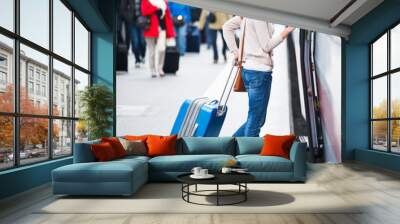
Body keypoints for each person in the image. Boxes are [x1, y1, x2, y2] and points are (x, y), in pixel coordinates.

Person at [222, 16, 294, 137]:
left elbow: (226, 27)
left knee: (257, 119)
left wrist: (236, 53)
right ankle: (247, 153)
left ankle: (232, 143)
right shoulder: (258, 15)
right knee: (255, 119)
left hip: (249, 71)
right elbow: (267, 46)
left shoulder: (248, 12)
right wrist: (286, 32)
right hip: (259, 73)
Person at [141, 0, 175, 78]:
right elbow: (144, 11)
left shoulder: (164, 1)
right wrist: (156, 8)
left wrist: (170, 31)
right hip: (150, 28)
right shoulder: (146, 1)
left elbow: (168, 15)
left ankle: (160, 68)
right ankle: (152, 69)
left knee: (162, 49)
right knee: (152, 51)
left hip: (162, 28)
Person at [130, 0, 147, 68]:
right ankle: (137, 59)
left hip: (143, 22)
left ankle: (142, 55)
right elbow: (123, 8)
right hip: (133, 22)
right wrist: (129, 18)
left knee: (142, 41)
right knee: (135, 41)